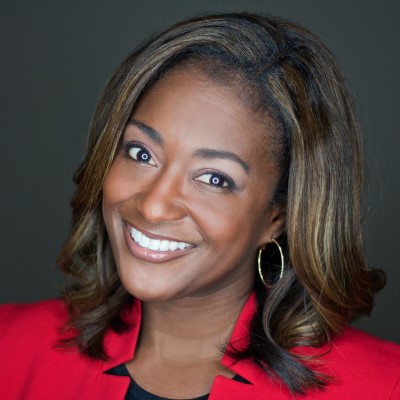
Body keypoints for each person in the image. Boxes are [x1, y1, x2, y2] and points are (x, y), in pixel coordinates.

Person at [0, 12, 399, 400]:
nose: (154, 206)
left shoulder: (385, 387)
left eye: (214, 179)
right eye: (141, 153)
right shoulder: (9, 349)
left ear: (277, 217)